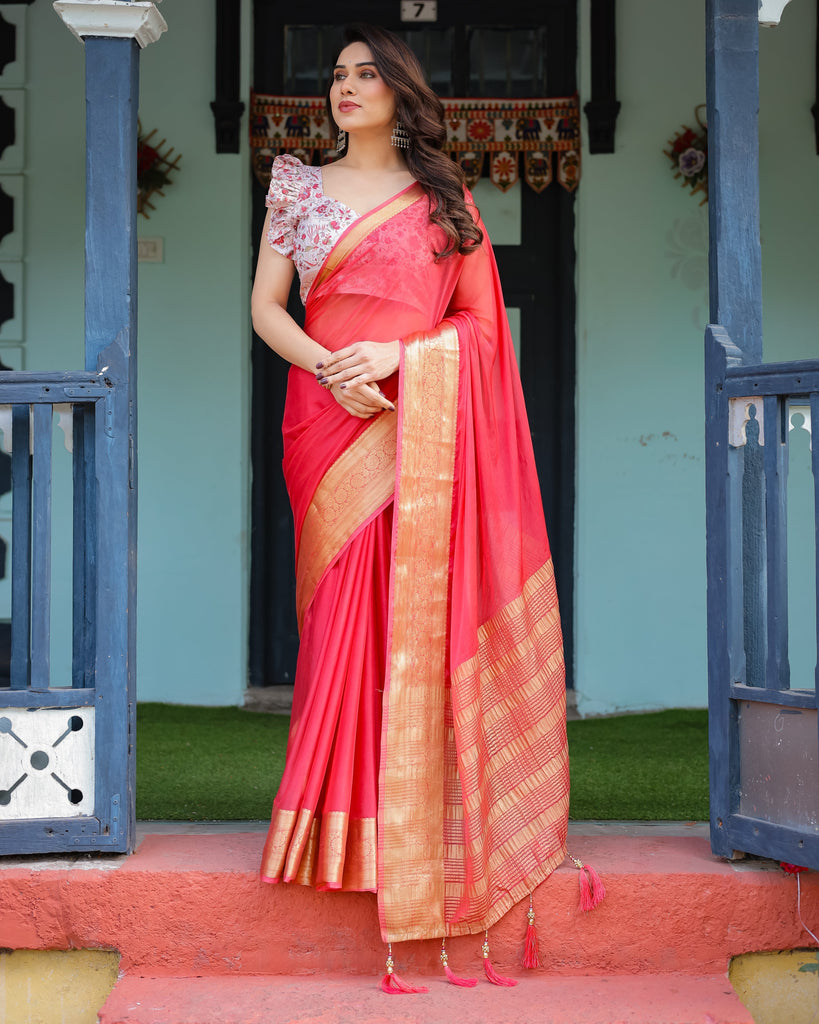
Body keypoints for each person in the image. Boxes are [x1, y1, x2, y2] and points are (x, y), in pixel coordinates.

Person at [251, 23, 570, 985]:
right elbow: (267, 308)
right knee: (341, 616)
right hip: (327, 419)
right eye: (336, 74)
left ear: (400, 90)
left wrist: (397, 356)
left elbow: (479, 327)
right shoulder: (295, 188)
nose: (344, 88)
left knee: (411, 619)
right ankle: (330, 826)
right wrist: (334, 369)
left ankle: (418, 820)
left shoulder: (444, 201)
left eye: (366, 74)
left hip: (414, 419)